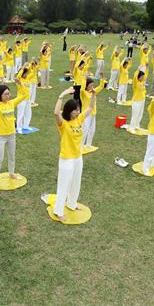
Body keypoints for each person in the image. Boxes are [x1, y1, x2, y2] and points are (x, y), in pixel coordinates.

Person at [52, 86, 95, 221]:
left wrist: (93, 95)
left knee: (76, 182)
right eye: (75, 110)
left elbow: (89, 108)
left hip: (78, 157)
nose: (78, 112)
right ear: (69, 111)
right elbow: (55, 113)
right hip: (66, 159)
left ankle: (72, 203)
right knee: (64, 185)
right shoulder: (63, 123)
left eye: (78, 110)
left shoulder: (79, 119)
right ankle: (58, 211)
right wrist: (62, 94)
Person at [0, 80, 27, 188]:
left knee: (12, 156)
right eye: (5, 94)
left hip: (11, 135)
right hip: (0, 136)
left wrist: (21, 84)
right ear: (0, 95)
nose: (8, 96)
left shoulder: (12, 103)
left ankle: (11, 173)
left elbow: (25, 95)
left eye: (9, 93)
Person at [80, 76, 106, 151]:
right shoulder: (84, 93)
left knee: (92, 129)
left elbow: (101, 86)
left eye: (92, 85)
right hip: (86, 114)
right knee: (85, 130)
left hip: (93, 114)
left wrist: (102, 77)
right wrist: (84, 80)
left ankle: (88, 145)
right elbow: (81, 89)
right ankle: (80, 146)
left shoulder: (93, 92)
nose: (92, 87)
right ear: (86, 86)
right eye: (90, 85)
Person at [127, 66, 148, 133]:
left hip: (142, 100)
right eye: (141, 77)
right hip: (136, 101)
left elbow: (146, 75)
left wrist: (146, 68)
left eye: (143, 77)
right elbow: (135, 77)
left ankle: (136, 125)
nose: (142, 78)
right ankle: (131, 127)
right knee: (135, 114)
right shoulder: (136, 83)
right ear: (138, 77)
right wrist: (138, 69)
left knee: (140, 114)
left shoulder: (142, 82)